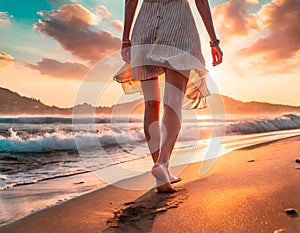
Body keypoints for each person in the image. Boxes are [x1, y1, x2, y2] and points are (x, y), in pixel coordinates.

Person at [113, 0, 223, 193]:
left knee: (151, 105)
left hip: (145, 27)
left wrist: (125, 39)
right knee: (173, 103)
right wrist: (214, 42)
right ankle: (162, 165)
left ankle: (161, 173)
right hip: (178, 27)